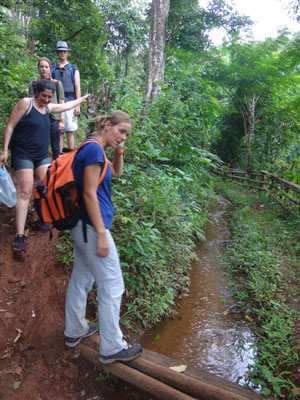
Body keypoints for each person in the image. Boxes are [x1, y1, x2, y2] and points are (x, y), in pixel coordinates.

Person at [64, 110, 142, 364]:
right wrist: (100, 234)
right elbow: (88, 194)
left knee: (81, 279)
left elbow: (116, 172)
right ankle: (111, 348)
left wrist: (119, 149)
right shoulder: (94, 151)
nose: (124, 137)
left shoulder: (95, 149)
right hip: (91, 228)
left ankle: (75, 330)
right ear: (108, 125)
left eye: (127, 134)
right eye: (121, 132)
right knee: (112, 285)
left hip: (82, 227)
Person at [0, 79, 89, 253]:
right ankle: (19, 236)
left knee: (50, 184)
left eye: (50, 97)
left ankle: (41, 219)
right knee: (25, 191)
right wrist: (4, 151)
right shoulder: (26, 104)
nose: (47, 100)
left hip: (41, 156)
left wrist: (82, 99)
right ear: (37, 93)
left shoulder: (48, 108)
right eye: (44, 96)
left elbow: (66, 106)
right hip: (23, 153)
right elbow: (10, 125)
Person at [29, 57, 65, 160]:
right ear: (38, 68)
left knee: (55, 146)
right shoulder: (33, 84)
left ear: (50, 68)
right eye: (41, 66)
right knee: (39, 143)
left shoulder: (57, 84)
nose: (44, 69)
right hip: (38, 117)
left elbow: (62, 102)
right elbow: (30, 102)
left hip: (55, 118)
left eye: (46, 67)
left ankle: (57, 169)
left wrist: (62, 120)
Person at [52, 41, 81, 152]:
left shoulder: (73, 68)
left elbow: (77, 87)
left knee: (70, 130)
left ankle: (70, 154)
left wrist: (77, 104)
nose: (62, 53)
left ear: (67, 52)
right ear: (57, 52)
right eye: (60, 51)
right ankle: (59, 156)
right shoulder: (53, 68)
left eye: (64, 51)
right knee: (60, 130)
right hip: (56, 102)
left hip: (70, 101)